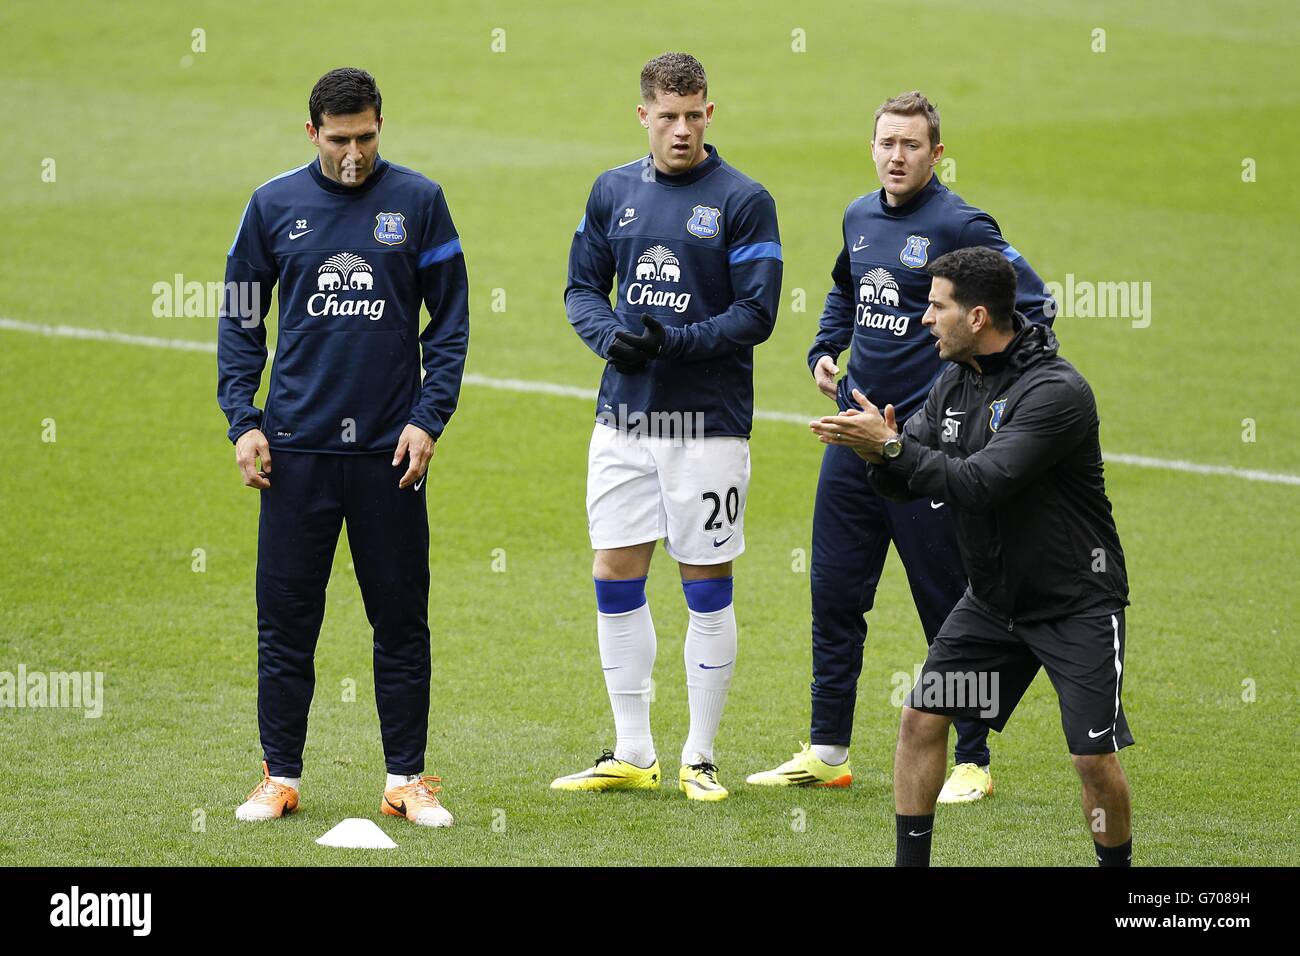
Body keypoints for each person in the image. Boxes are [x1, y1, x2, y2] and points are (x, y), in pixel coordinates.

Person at [748, 91, 1052, 804]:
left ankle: (972, 758)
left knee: (950, 604)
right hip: (854, 442)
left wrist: (982, 402)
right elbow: (847, 290)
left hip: (929, 454)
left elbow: (1031, 308)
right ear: (873, 145)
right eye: (887, 142)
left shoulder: (961, 224)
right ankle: (827, 749)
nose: (896, 156)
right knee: (834, 592)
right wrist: (827, 347)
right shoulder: (859, 216)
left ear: (936, 153)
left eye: (912, 145)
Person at [811, 246, 1133, 867]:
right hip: (993, 603)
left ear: (978, 317)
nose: (924, 318)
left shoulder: (1056, 393)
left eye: (936, 306)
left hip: (1075, 605)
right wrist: (878, 452)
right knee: (921, 718)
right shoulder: (956, 382)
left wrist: (894, 449)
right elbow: (910, 477)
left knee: (1091, 758)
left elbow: (982, 483)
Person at [216, 67, 469, 828]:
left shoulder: (419, 203)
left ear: (380, 126)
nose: (353, 153)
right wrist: (244, 419)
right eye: (338, 139)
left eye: (365, 137)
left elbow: (449, 326)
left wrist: (429, 417)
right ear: (311, 133)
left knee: (400, 620)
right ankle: (279, 776)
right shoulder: (273, 205)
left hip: (391, 456)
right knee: (286, 621)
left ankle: (407, 781)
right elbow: (238, 318)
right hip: (294, 452)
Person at [554, 52, 782, 801]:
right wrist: (607, 337)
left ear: (709, 114)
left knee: (704, 579)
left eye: (695, 114)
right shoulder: (612, 189)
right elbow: (582, 286)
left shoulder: (744, 200)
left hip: (708, 426)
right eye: (668, 115)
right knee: (615, 572)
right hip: (622, 419)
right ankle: (632, 750)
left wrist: (672, 342)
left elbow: (757, 314)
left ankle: (701, 755)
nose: (682, 129)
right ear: (644, 115)